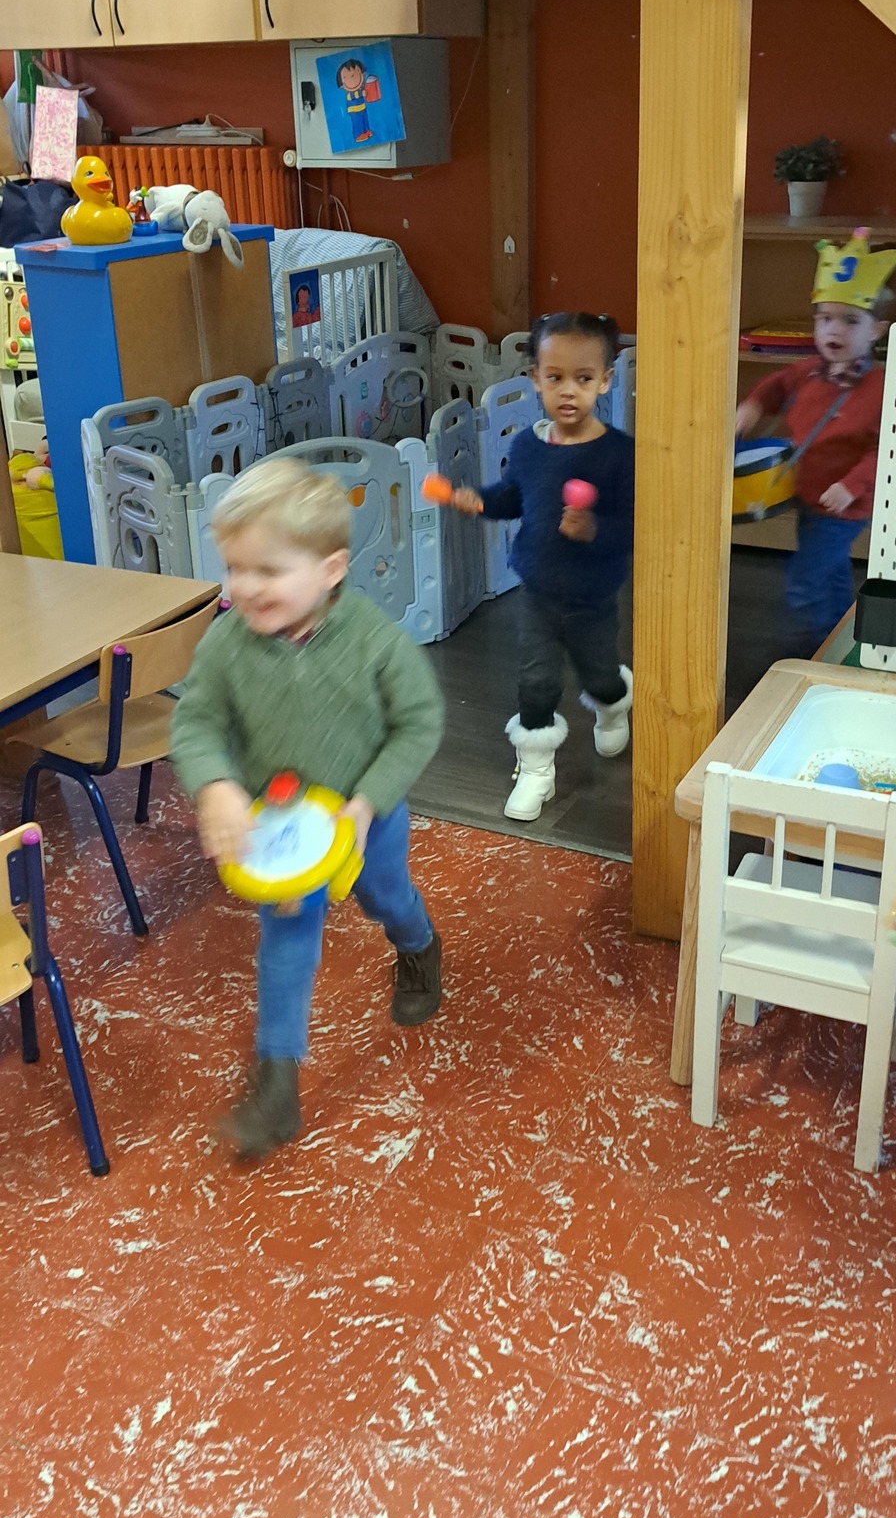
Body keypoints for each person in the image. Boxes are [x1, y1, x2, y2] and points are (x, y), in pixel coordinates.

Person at [171, 455, 445, 1160]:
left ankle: (418, 947)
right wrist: (216, 785)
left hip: (365, 819)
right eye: (234, 568)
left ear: (330, 570)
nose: (243, 587)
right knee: (286, 945)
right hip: (280, 831)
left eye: (267, 570)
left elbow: (419, 723)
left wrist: (367, 803)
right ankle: (277, 1088)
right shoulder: (226, 644)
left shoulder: (375, 640)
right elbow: (196, 722)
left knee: (387, 898)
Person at [452, 311, 635, 821]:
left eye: (583, 378)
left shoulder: (620, 454)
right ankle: (536, 772)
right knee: (536, 681)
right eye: (555, 377)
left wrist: (593, 528)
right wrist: (480, 501)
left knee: (599, 674)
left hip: (593, 595)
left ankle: (614, 704)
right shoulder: (528, 446)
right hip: (537, 590)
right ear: (535, 378)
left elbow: (633, 527)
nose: (568, 390)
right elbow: (515, 497)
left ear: (605, 380)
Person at [735, 229, 896, 654]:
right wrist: (753, 405)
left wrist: (851, 486)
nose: (834, 329)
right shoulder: (809, 370)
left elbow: (885, 450)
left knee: (806, 580)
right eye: (825, 318)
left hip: (844, 505)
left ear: (877, 330)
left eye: (850, 321)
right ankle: (840, 636)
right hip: (808, 494)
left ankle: (805, 652)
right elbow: (775, 386)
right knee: (830, 573)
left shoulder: (881, 387)